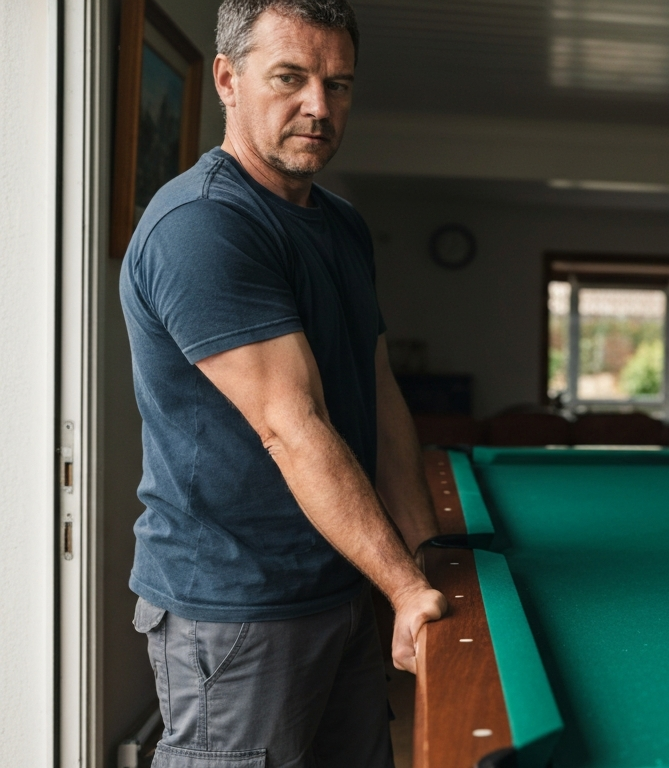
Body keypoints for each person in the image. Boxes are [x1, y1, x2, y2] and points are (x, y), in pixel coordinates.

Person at [119, 0, 445, 764]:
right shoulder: (202, 227)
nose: (319, 106)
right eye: (291, 78)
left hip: (338, 586)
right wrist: (402, 587)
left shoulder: (342, 225)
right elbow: (289, 425)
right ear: (228, 79)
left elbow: (377, 389)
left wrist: (427, 553)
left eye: (339, 85)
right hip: (233, 613)